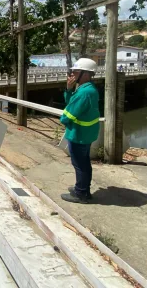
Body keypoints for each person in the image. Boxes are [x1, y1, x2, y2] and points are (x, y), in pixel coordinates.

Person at [60, 58, 100, 204]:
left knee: (80, 164)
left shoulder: (84, 92)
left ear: (86, 74)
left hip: (79, 134)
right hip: (85, 133)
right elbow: (70, 103)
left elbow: (68, 115)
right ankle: (82, 188)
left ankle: (81, 193)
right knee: (83, 163)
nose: (72, 74)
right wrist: (69, 89)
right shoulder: (86, 89)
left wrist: (63, 118)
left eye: (75, 71)